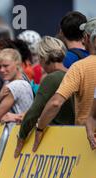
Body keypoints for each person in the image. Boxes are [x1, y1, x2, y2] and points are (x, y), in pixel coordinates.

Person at [33, 20, 96, 151]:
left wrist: (40, 128)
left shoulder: (80, 67)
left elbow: (56, 103)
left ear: (87, 38)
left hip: (84, 140)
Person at [14, 36, 75, 158]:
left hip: (56, 139)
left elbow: (34, 111)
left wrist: (21, 137)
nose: (40, 64)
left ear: (44, 58)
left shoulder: (51, 79)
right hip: (75, 135)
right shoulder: (72, 73)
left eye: (40, 59)